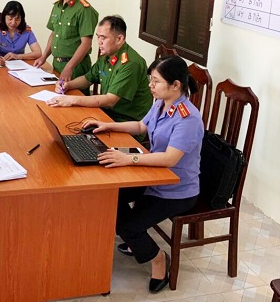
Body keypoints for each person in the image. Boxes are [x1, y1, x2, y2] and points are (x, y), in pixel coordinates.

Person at [84, 55, 203, 294]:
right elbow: (141, 126)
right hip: (152, 175)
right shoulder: (161, 102)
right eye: (151, 80)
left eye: (156, 81)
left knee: (128, 228)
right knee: (108, 195)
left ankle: (158, 259)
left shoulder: (188, 118)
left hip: (176, 189)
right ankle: (137, 240)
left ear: (176, 85)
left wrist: (129, 159)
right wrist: (107, 125)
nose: (150, 85)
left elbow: (169, 159)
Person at [46, 15, 152, 127]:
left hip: (125, 122)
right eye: (98, 37)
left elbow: (110, 100)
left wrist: (71, 100)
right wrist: (68, 85)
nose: (99, 42)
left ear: (119, 39)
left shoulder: (130, 63)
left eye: (103, 38)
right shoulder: (107, 56)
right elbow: (88, 79)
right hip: (106, 114)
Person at [33, 0, 99, 89]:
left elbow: (86, 44)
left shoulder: (84, 10)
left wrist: (70, 67)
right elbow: (54, 33)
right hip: (57, 64)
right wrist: (43, 57)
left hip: (75, 67)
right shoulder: (57, 7)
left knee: (75, 99)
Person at [0, 0, 42, 66]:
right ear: (4, 17)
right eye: (10, 19)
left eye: (17, 19)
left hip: (20, 65)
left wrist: (18, 56)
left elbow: (38, 53)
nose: (13, 23)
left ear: (22, 19)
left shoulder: (26, 31)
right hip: (1, 65)